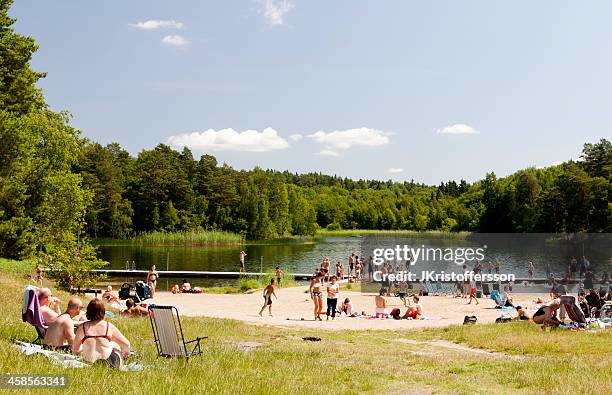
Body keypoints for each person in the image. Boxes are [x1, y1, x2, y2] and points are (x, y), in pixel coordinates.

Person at [73, 299, 131, 368]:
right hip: (108, 363)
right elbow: (126, 344)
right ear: (103, 312)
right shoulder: (108, 326)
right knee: (115, 345)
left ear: (88, 311)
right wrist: (126, 353)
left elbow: (75, 350)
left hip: (89, 362)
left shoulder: (81, 328)